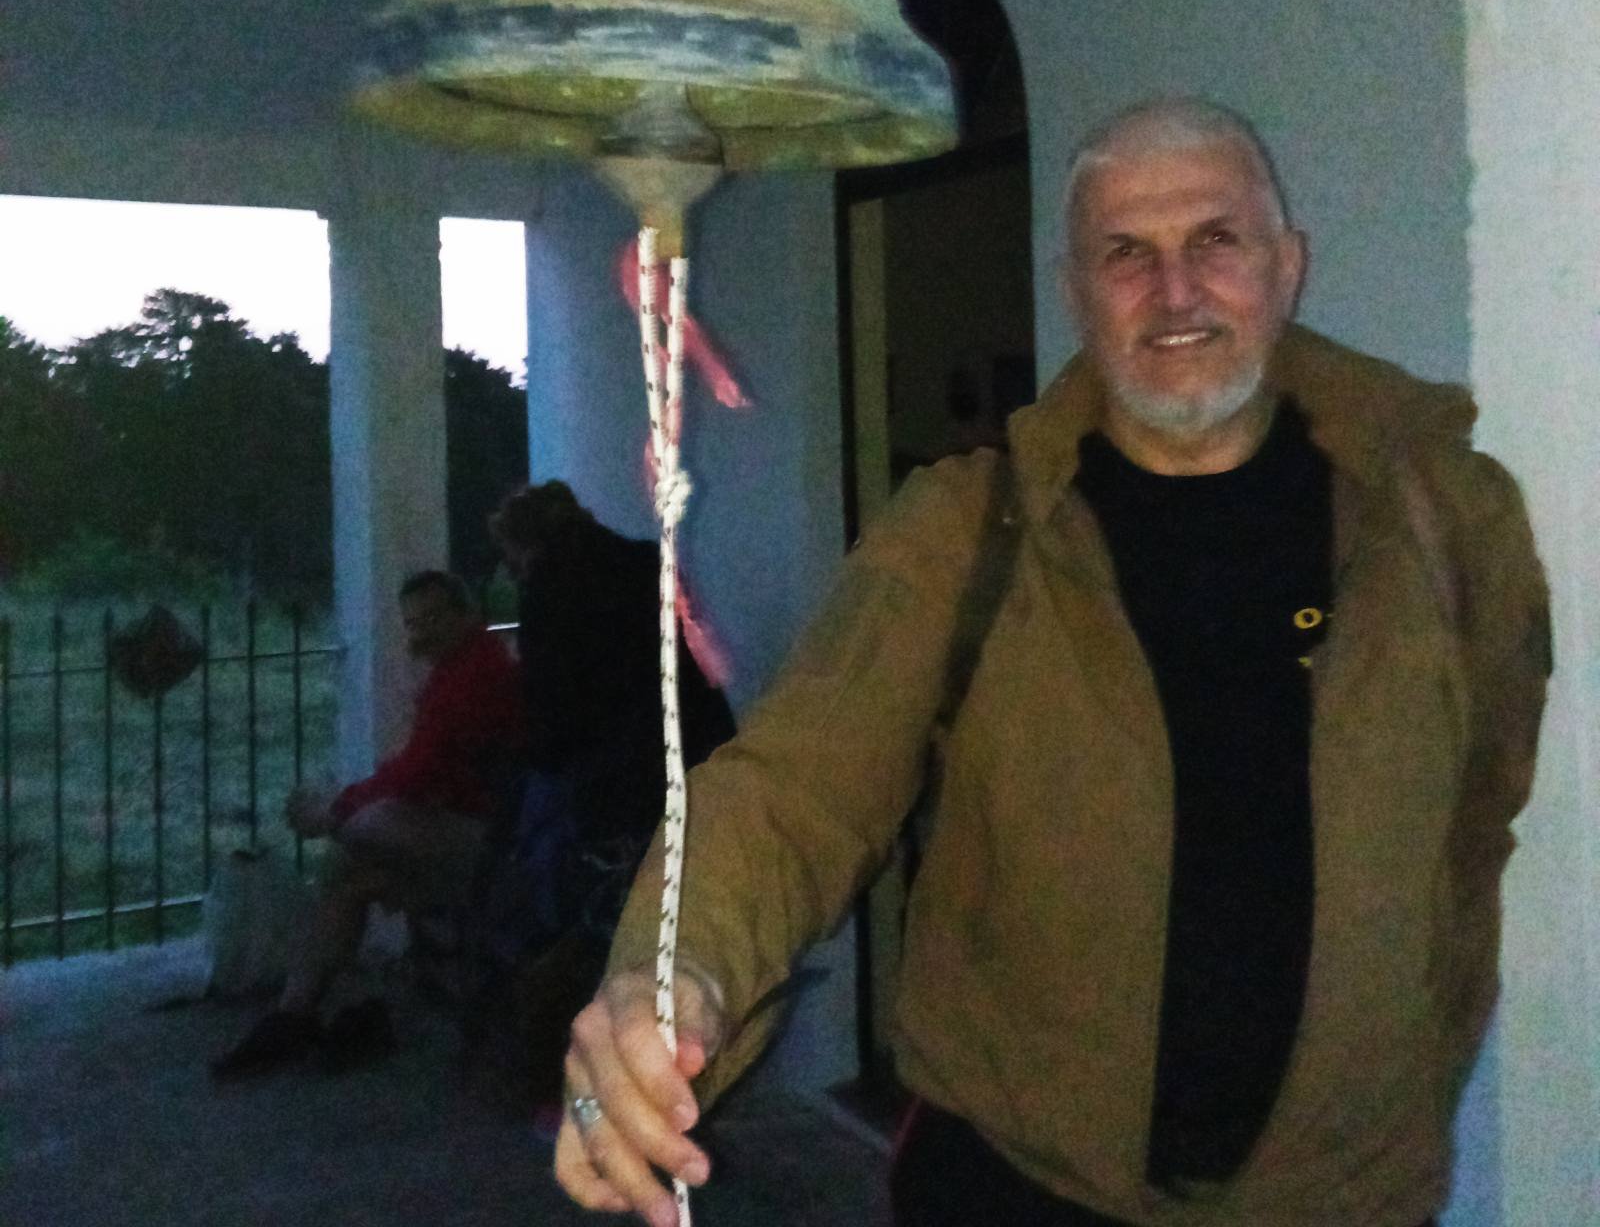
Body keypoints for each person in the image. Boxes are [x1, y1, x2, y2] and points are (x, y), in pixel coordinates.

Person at [552, 97, 1551, 1227]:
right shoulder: (970, 529)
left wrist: (1405, 1081)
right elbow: (797, 788)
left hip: (1345, 1201)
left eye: (1215, 240)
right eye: (1126, 253)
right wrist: (675, 976)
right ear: (1075, 291)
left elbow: (1479, 818)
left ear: (1287, 266)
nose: (1174, 291)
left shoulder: (1446, 519)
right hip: (1016, 1187)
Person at [211, 569, 526, 1078]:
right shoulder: (456, 671)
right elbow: (418, 772)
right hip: (464, 832)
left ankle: (303, 1014)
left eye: (433, 618)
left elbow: (418, 773)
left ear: (466, 616)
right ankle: (297, 1013)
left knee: (368, 826)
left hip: (497, 845)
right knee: (347, 872)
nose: (420, 633)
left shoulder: (477, 675)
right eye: (413, 623)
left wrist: (334, 810)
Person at [485, 482, 736, 1104]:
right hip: (689, 764)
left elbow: (551, 715)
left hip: (611, 787)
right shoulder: (647, 562)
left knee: (581, 932)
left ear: (523, 545)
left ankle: (551, 1076)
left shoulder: (550, 589)